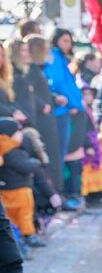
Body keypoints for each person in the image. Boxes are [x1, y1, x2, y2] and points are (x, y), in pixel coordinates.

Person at [43, 29, 83, 209]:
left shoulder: (60, 58)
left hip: (65, 112)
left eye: (70, 41)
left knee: (61, 154)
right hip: (58, 112)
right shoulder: (52, 56)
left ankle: (58, 194)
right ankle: (56, 196)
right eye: (65, 40)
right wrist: (66, 103)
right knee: (56, 155)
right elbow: (55, 83)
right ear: (56, 40)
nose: (68, 44)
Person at [23, 36, 61, 191]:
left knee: (52, 155)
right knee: (47, 156)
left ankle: (56, 192)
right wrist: (42, 105)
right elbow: (29, 91)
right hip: (41, 119)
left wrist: (52, 99)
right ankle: (52, 194)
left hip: (47, 117)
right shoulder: (30, 69)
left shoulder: (36, 68)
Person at [0, 118, 45, 250]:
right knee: (25, 214)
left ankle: (16, 238)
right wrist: (35, 162)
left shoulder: (5, 149)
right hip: (20, 189)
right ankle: (28, 235)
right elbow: (24, 166)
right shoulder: (11, 150)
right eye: (18, 132)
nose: (21, 135)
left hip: (5, 189)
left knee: (10, 216)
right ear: (9, 134)